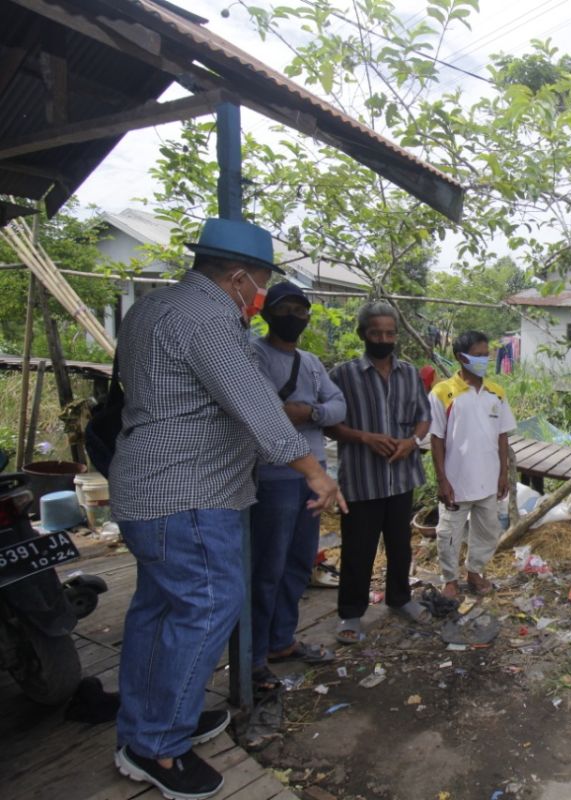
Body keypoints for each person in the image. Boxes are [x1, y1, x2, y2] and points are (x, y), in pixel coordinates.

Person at [109, 218, 344, 800]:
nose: (260, 298)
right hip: (185, 493)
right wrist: (315, 470)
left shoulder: (153, 308)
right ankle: (159, 748)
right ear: (238, 277)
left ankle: (148, 723)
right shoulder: (211, 318)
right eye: (259, 284)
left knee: (157, 611)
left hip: (150, 488)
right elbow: (256, 406)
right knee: (206, 608)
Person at [248, 282, 347, 689]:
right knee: (265, 567)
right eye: (285, 308)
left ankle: (282, 641)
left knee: (298, 563)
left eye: (301, 310)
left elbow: (338, 404)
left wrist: (310, 411)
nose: (294, 316)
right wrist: (307, 414)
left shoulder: (310, 360)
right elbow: (264, 409)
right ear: (267, 313)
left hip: (316, 476)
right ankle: (252, 657)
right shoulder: (252, 353)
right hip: (272, 475)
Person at [326, 301, 433, 644]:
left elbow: (424, 416)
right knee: (359, 549)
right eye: (377, 333)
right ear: (363, 335)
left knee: (400, 545)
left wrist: (412, 442)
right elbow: (329, 424)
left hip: (401, 477)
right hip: (361, 479)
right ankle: (351, 613)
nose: (384, 339)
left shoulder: (409, 373)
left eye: (390, 333)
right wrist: (364, 438)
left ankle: (400, 599)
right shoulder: (342, 375)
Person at [429, 331, 516, 599]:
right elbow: (437, 438)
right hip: (456, 481)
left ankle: (475, 572)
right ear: (460, 357)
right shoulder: (443, 393)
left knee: (488, 531)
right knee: (449, 534)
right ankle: (450, 579)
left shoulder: (496, 394)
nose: (483, 360)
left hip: (489, 480)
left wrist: (503, 474)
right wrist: (442, 479)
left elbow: (502, 437)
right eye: (477, 356)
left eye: (485, 355)